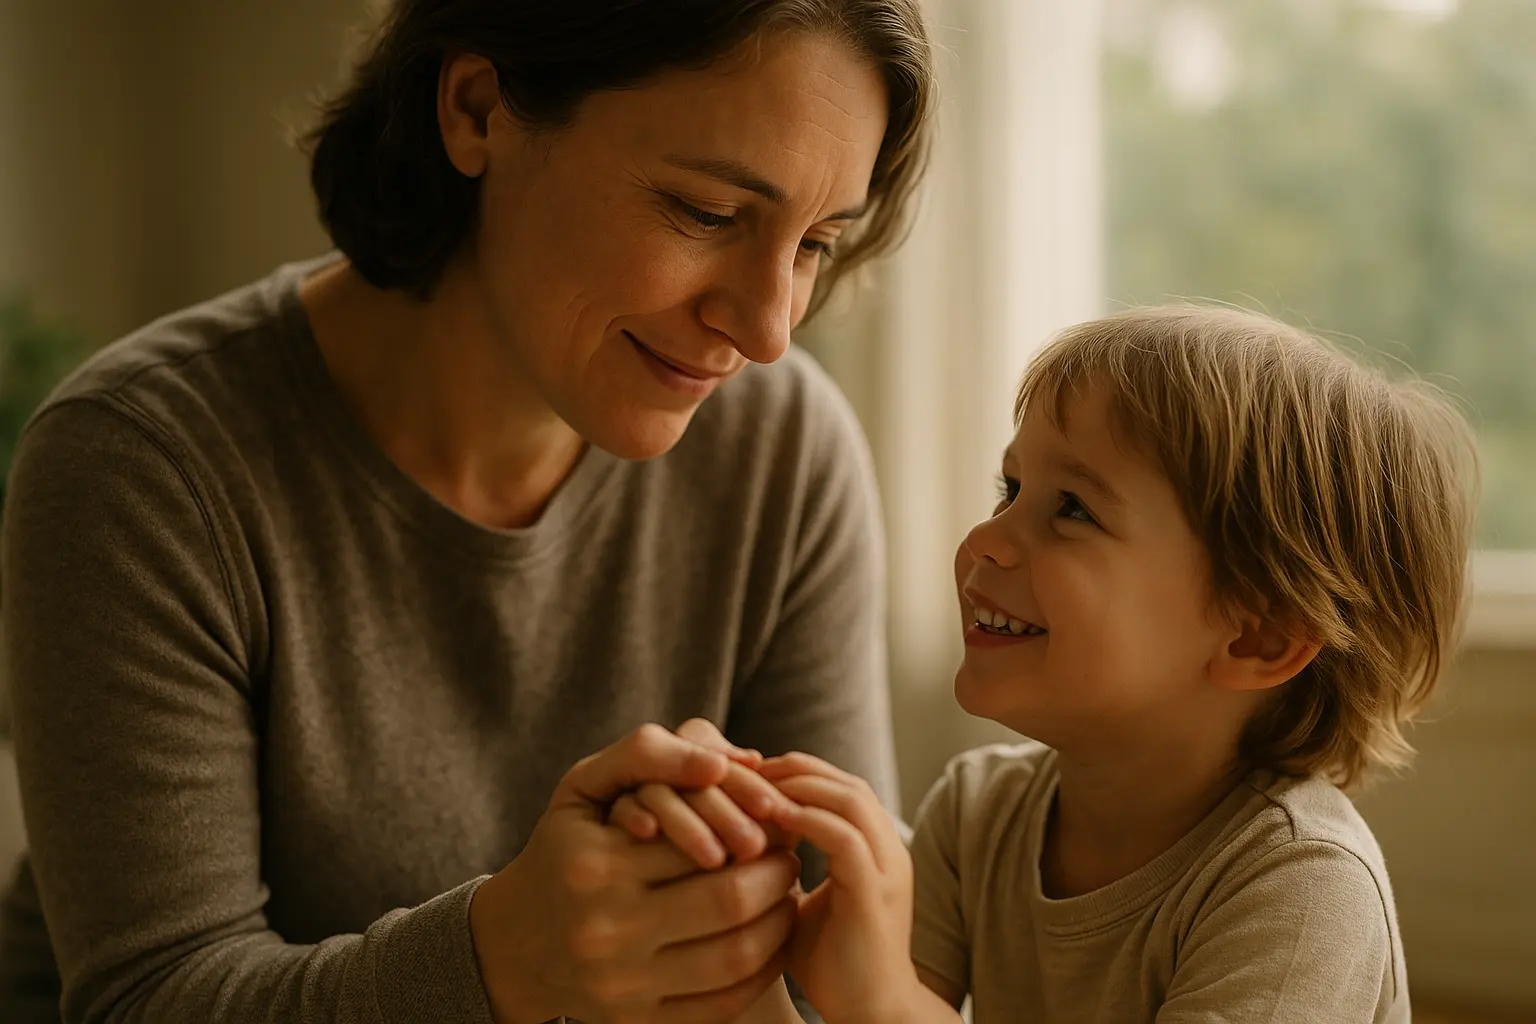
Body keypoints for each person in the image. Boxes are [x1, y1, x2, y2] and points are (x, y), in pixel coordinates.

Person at [0, 2, 935, 1022]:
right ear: (477, 108)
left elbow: (827, 965)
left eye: (815, 243)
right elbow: (148, 999)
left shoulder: (785, 452)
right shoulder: (144, 465)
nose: (766, 329)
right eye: (706, 212)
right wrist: (506, 957)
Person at [614, 304, 1478, 1023]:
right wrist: (745, 954)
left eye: (1071, 509)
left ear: (1257, 640)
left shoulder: (1301, 887)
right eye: (1009, 490)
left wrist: (882, 1003)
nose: (987, 541)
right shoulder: (977, 816)